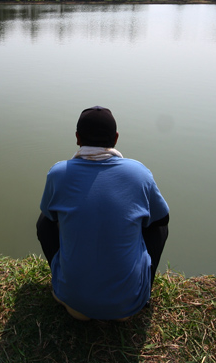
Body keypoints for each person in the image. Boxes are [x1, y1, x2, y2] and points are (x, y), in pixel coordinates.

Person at [37, 106, 170, 321]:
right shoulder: (139, 173)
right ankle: (142, 292)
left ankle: (65, 281)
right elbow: (162, 219)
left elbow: (50, 219)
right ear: (116, 138)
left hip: (73, 303)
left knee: (45, 222)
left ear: (78, 137)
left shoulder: (59, 173)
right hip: (128, 306)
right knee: (158, 226)